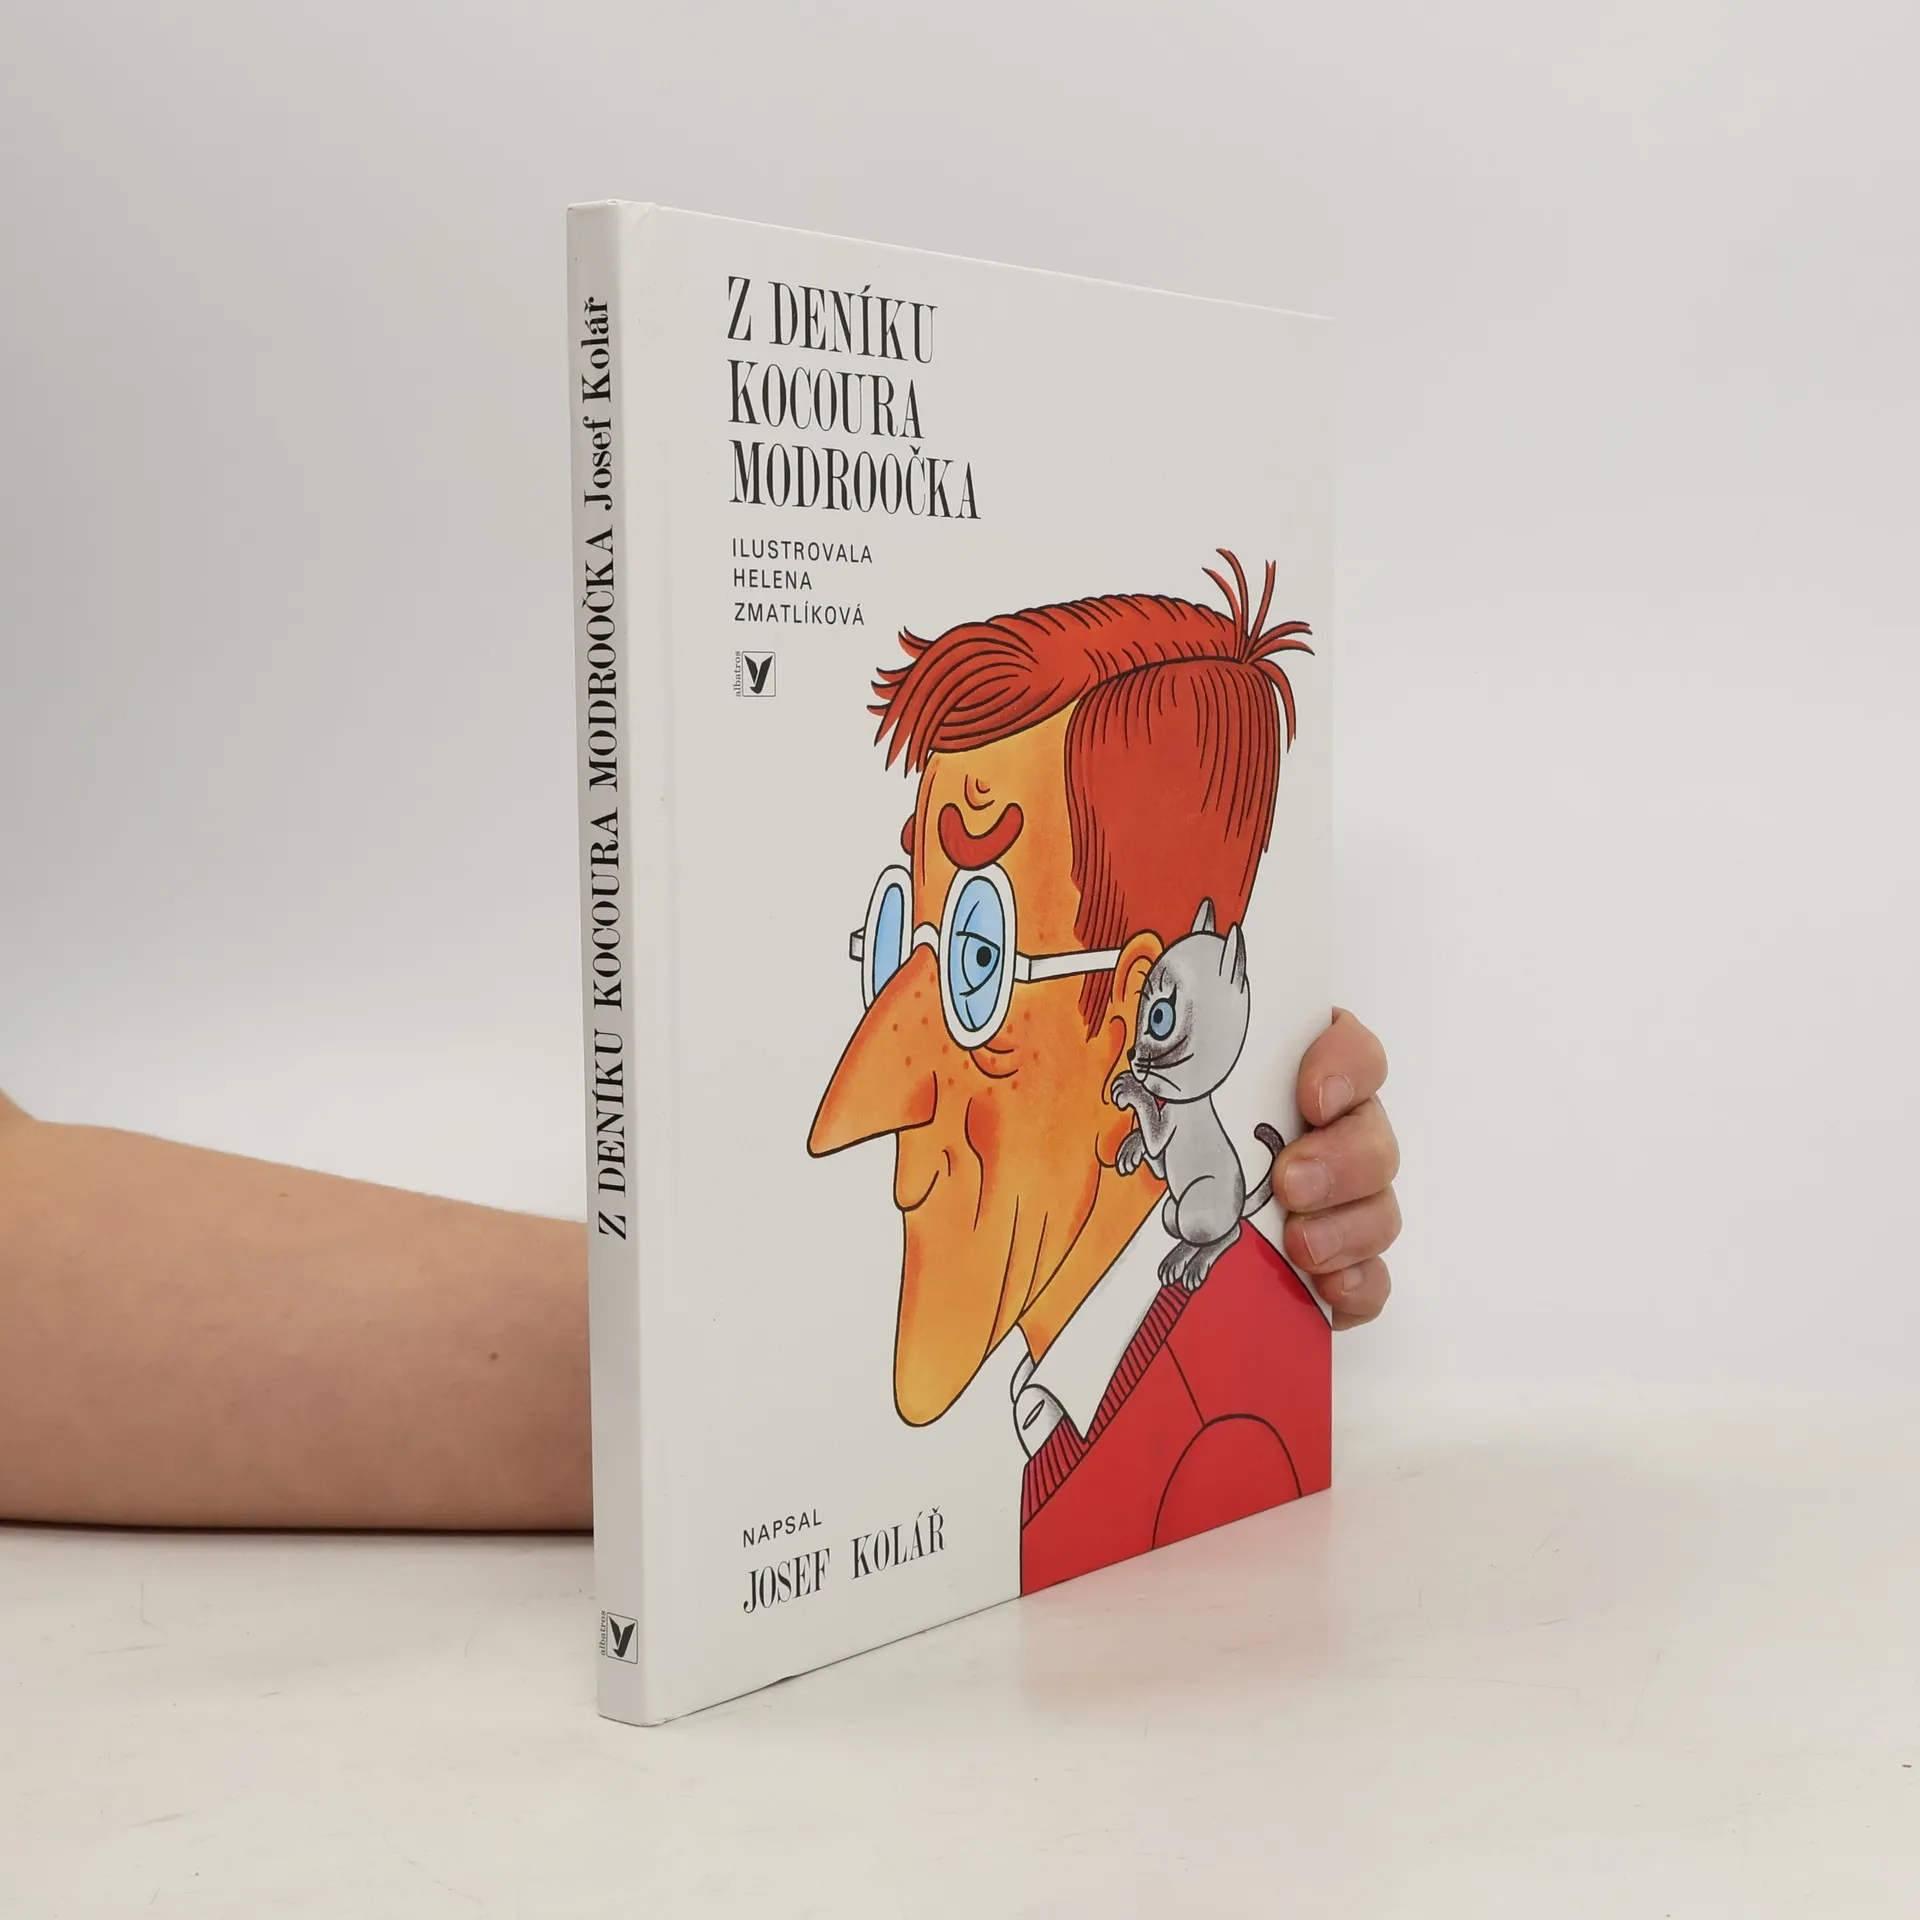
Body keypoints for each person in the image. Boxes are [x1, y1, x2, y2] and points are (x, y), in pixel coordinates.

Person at [810, 564, 1398, 1590]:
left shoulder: (1213, 1446)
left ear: (1136, 1011)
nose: (857, 1107)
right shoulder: (1079, 1421)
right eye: (903, 934)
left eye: (978, 959)